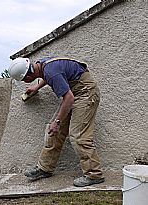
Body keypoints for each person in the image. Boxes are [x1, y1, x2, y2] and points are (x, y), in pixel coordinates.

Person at [8, 57, 104, 187]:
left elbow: (68, 97)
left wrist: (58, 121)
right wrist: (37, 87)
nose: (25, 82)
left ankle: (94, 174)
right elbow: (50, 76)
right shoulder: (41, 65)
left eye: (25, 79)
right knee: (53, 132)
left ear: (29, 75)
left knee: (78, 135)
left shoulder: (50, 72)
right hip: (74, 93)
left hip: (85, 94)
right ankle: (45, 168)